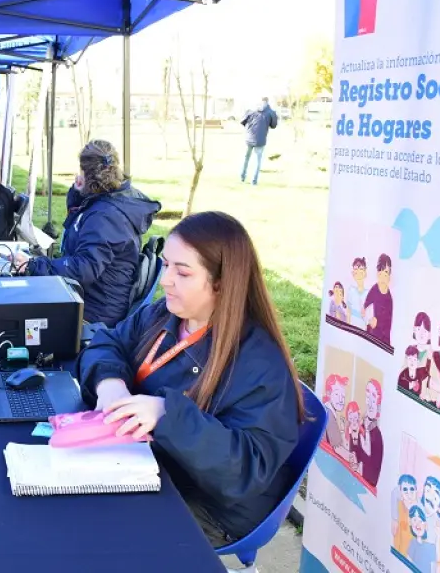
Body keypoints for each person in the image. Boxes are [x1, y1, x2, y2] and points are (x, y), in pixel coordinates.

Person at [76, 210, 304, 547]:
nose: (166, 279)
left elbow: (245, 471)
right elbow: (108, 342)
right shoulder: (164, 314)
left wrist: (166, 414)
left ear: (222, 283)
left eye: (182, 272)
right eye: (166, 265)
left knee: (96, 531)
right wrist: (111, 383)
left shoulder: (259, 363)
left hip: (213, 506)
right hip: (153, 466)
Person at [15, 140, 160, 326]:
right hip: (93, 297)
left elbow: (84, 268)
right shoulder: (111, 197)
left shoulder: (105, 216)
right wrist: (77, 190)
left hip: (95, 312)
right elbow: (76, 221)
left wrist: (35, 266)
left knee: (21, 309)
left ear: (88, 174)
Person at [240, 97, 278, 185]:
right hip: (260, 140)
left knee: (246, 158)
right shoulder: (270, 112)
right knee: (257, 161)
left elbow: (242, 121)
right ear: (267, 102)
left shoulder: (252, 110)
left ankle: (242, 176)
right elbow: (274, 125)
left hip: (249, 138)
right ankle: (254, 181)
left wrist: (249, 127)